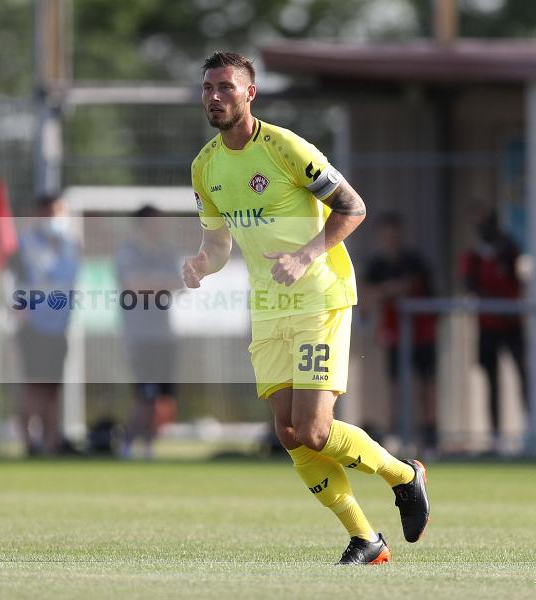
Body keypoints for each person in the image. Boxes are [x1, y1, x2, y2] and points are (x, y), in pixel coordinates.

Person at [183, 51, 429, 565]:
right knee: (291, 434)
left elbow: (352, 207)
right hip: (269, 308)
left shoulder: (284, 148)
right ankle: (367, 539)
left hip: (319, 296)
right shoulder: (205, 166)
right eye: (208, 87)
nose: (214, 96)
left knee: (316, 429)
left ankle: (404, 477)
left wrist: (304, 254)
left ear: (250, 93)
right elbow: (219, 244)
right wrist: (201, 266)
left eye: (226, 87)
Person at [11, 193, 79, 456]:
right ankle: (29, 443)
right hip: (33, 327)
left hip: (59, 327)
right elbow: (11, 283)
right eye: (49, 213)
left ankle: (51, 443)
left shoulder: (69, 244)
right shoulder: (24, 245)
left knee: (52, 388)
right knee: (33, 385)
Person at [364, 212, 438, 453]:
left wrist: (391, 289)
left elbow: (416, 285)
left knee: (426, 383)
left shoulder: (414, 260)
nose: (391, 240)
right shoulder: (376, 265)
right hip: (394, 333)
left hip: (421, 333)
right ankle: (395, 431)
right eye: (386, 236)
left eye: (394, 235)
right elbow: (368, 294)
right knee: (394, 383)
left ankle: (429, 434)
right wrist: (387, 291)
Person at [114, 205, 181, 460]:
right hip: (140, 337)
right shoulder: (127, 253)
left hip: (164, 336)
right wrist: (158, 284)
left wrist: (152, 284)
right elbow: (133, 286)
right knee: (145, 396)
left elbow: (178, 283)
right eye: (155, 222)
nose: (160, 227)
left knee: (161, 399)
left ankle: (149, 448)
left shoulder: (167, 252)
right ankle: (128, 443)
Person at [460, 210, 529, 453]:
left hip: (512, 324)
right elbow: (469, 285)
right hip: (487, 326)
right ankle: (495, 436)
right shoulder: (474, 257)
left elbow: (521, 279)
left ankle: (529, 429)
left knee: (524, 376)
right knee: (492, 381)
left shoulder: (510, 251)